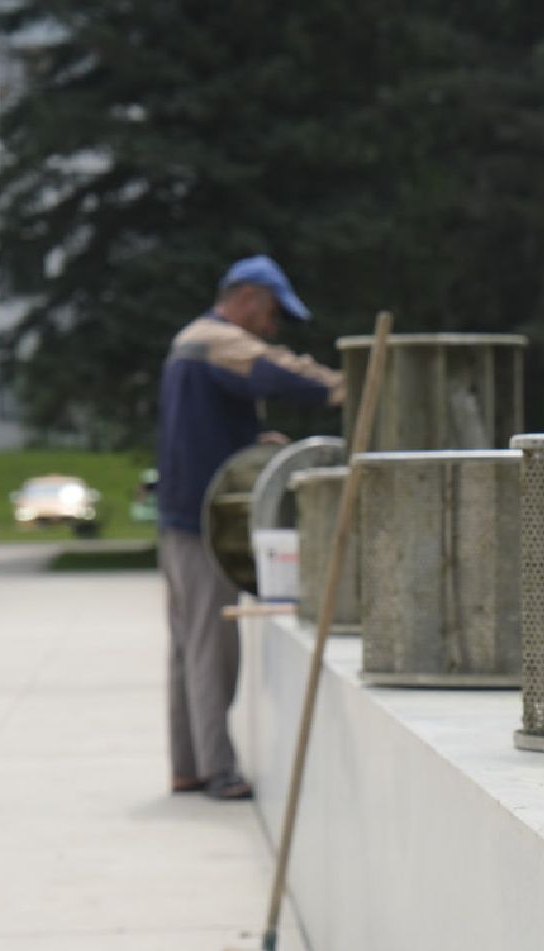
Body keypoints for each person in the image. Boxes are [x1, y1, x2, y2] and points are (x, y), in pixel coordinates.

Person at [156, 255, 344, 799]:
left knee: (187, 645)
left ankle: (188, 764)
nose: (272, 328)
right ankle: (219, 771)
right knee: (213, 647)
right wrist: (340, 386)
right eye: (271, 315)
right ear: (248, 299)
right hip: (200, 523)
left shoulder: (189, 343)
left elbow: (203, 426)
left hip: (180, 517)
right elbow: (276, 372)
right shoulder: (216, 341)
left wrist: (249, 446)